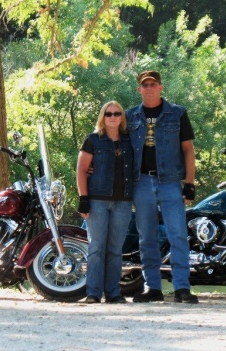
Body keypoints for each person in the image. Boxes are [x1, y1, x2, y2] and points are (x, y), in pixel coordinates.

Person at [125, 70, 198, 303]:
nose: (149, 88)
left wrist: (189, 183)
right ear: (139, 89)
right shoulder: (130, 116)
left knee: (178, 235)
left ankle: (182, 288)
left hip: (170, 183)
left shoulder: (177, 114)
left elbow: (188, 149)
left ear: (160, 87)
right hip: (141, 182)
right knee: (147, 237)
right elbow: (120, 150)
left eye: (153, 84)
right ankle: (152, 287)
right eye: (144, 85)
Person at [76, 101, 133, 304]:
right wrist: (84, 198)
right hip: (97, 200)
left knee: (115, 250)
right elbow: (82, 169)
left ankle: (113, 293)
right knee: (97, 248)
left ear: (122, 117)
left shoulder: (130, 140)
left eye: (117, 113)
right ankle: (92, 293)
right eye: (108, 113)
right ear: (103, 116)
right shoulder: (92, 140)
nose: (112, 116)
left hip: (123, 202)